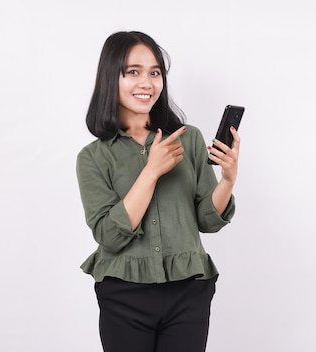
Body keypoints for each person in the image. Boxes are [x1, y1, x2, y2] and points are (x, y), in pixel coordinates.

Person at [76, 30, 241, 352]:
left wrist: (228, 181)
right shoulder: (93, 157)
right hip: (123, 293)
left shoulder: (188, 138)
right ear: (112, 78)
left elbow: (207, 221)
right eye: (133, 72)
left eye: (155, 73)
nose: (147, 83)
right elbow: (110, 236)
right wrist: (151, 171)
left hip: (189, 290)